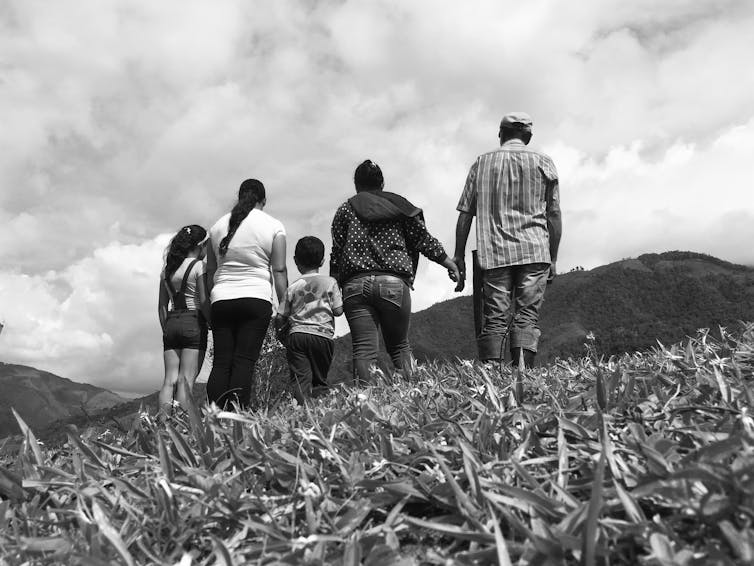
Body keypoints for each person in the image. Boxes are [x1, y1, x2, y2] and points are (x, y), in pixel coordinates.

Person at [330, 159, 460, 383]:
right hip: (393, 284)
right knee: (399, 346)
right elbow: (422, 240)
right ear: (381, 184)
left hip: (355, 285)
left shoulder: (345, 210)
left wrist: (333, 285)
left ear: (356, 185)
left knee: (363, 350)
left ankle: (365, 404)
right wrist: (449, 263)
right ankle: (415, 396)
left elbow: (337, 252)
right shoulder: (400, 207)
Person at [453, 112, 562, 368]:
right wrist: (553, 257)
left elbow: (465, 214)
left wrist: (459, 255)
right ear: (529, 136)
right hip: (535, 251)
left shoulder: (482, 163)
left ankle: (491, 372)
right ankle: (523, 374)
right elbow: (554, 214)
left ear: (500, 134)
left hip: (496, 252)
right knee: (527, 316)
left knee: (495, 318)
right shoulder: (544, 162)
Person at [206, 179, 288, 410]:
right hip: (255, 299)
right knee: (244, 361)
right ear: (263, 200)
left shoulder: (218, 226)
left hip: (221, 299)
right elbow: (279, 269)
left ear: (240, 196)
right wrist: (284, 305)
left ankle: (213, 417)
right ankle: (235, 417)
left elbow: (210, 270)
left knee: (221, 363)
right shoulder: (273, 226)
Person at [276, 236, 343, 404]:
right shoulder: (330, 282)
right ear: (322, 260)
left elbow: (280, 316)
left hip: (297, 336)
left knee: (300, 380)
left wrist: (280, 334)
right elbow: (338, 311)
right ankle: (320, 412)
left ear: (295, 261)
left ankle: (301, 411)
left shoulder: (293, 286)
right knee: (320, 380)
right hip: (322, 336)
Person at [157, 224, 211, 412]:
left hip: (171, 323)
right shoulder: (199, 266)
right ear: (200, 245)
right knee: (185, 381)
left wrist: (167, 328)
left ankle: (163, 426)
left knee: (169, 380)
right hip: (193, 321)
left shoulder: (167, 270)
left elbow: (162, 305)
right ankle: (181, 427)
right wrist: (211, 322)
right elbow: (203, 301)